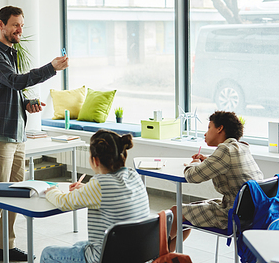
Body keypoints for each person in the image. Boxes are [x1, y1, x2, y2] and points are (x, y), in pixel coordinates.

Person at [0, 6, 69, 263]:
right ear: (0, 25)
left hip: (16, 133)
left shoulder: (10, 54)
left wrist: (25, 103)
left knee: (14, 193)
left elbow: (8, 90)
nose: (20, 30)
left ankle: (5, 249)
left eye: (22, 25)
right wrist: (51, 68)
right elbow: (14, 81)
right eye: (15, 25)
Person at [40, 129, 150, 263]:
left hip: (106, 258)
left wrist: (52, 191)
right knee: (79, 245)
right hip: (136, 254)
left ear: (95, 160)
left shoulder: (99, 184)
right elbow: (111, 191)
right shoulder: (133, 175)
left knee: (48, 253)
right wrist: (86, 189)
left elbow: (64, 202)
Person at [169, 111, 263, 252]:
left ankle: (157, 253)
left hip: (231, 215)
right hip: (250, 214)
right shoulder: (242, 147)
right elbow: (229, 165)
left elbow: (192, 177)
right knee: (183, 215)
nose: (205, 134)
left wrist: (194, 163)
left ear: (220, 128)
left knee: (175, 212)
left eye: (208, 128)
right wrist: (208, 160)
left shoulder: (224, 150)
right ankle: (164, 256)